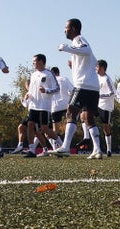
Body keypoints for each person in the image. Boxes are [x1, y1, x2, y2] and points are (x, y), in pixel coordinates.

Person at [51, 18, 103, 159]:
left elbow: (86, 50)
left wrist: (66, 48)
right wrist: (74, 65)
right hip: (93, 87)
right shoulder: (78, 43)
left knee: (70, 112)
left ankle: (65, 147)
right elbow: (91, 59)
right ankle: (97, 150)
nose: (64, 30)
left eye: (66, 27)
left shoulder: (78, 39)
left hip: (83, 85)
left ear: (73, 28)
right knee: (88, 118)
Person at [22, 53, 60, 157]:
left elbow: (57, 88)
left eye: (35, 61)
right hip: (33, 105)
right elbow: (31, 90)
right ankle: (31, 150)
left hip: (44, 106)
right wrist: (27, 95)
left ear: (41, 62)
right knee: (30, 125)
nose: (33, 63)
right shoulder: (33, 74)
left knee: (44, 129)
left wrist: (46, 90)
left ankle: (61, 145)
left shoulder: (48, 74)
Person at [96, 59, 116, 157]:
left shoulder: (107, 79)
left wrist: (100, 95)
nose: (96, 68)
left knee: (106, 127)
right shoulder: (95, 78)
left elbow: (113, 93)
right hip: (97, 105)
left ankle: (108, 149)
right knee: (87, 118)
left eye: (97, 66)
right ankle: (95, 147)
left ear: (102, 68)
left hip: (106, 106)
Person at [49, 66, 73, 150]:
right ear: (58, 72)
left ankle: (55, 147)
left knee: (55, 130)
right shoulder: (64, 79)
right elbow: (72, 91)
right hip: (66, 105)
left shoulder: (51, 82)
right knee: (70, 124)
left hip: (55, 107)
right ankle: (65, 145)